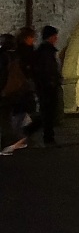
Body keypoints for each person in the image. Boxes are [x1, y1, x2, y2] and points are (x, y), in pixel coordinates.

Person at [0, 28, 37, 156]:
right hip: (14, 91)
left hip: (6, 92)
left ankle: (9, 143)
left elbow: (3, 76)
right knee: (10, 116)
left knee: (6, 118)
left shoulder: (4, 57)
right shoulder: (15, 56)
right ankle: (15, 140)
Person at [32, 27, 63, 146]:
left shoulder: (45, 51)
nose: (56, 38)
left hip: (46, 86)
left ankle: (45, 135)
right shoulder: (46, 52)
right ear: (50, 37)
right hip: (47, 87)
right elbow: (47, 70)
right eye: (55, 36)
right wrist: (52, 82)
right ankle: (45, 136)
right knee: (48, 112)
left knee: (47, 112)